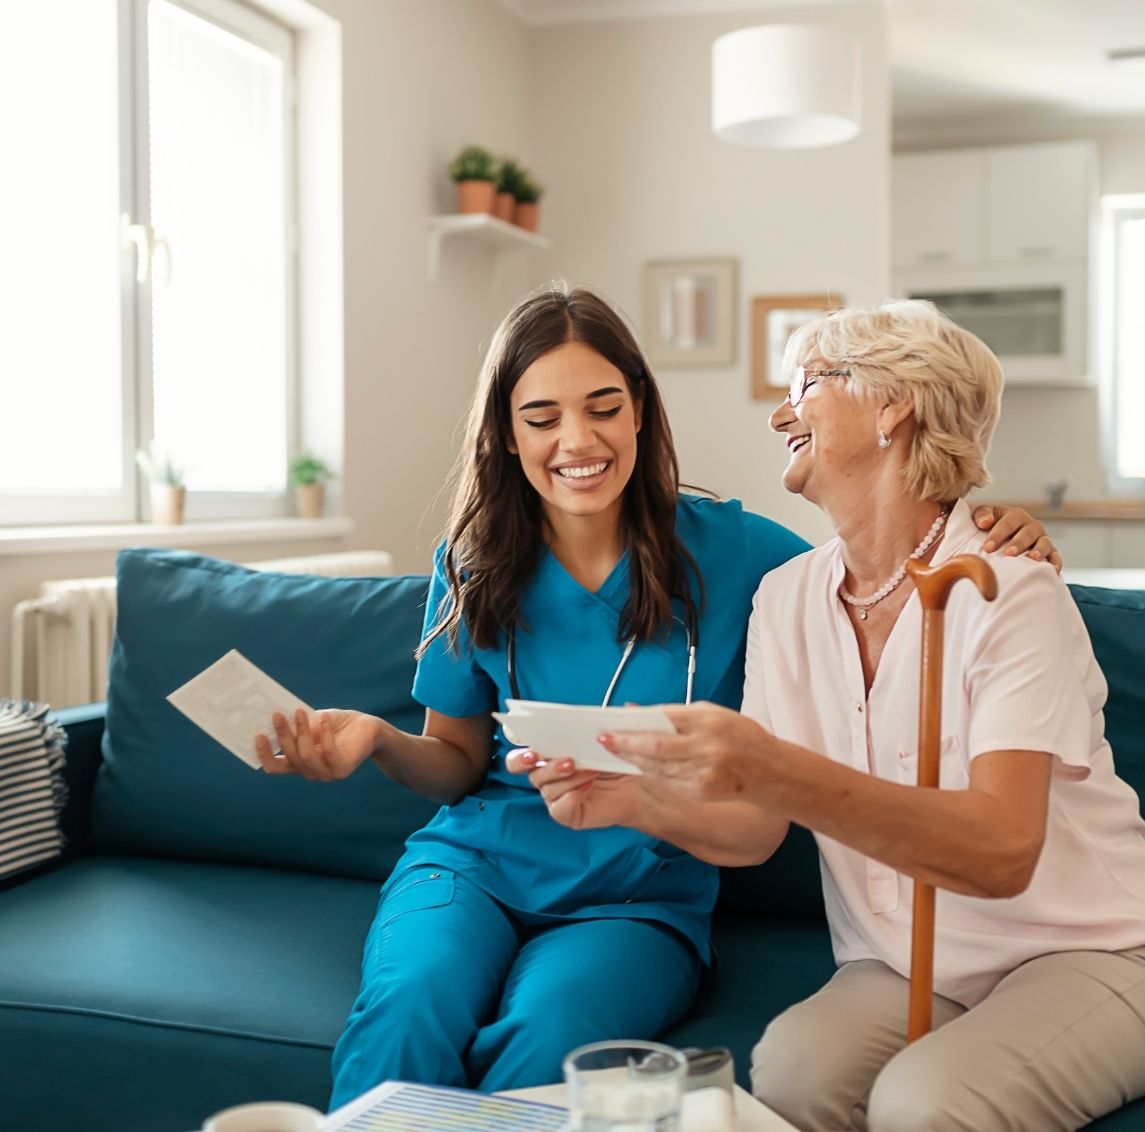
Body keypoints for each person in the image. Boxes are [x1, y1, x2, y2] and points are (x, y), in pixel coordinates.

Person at [253, 287, 1056, 1108]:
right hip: (474, 866)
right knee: (407, 1012)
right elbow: (456, 764)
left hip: (638, 893)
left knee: (547, 1039)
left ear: (640, 409)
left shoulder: (738, 552)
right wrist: (377, 742)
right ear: (505, 433)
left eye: (604, 407)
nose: (577, 440)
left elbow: (884, 552)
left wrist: (987, 524)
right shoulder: (471, 562)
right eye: (541, 417)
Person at [519, 299, 1145, 1132]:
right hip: (905, 963)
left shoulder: (1007, 588)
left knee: (926, 1103)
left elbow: (1002, 852)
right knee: (791, 1070)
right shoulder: (788, 599)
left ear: (895, 405)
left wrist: (773, 766)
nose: (783, 413)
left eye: (807, 385)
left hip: (1089, 948)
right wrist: (629, 801)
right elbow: (753, 827)